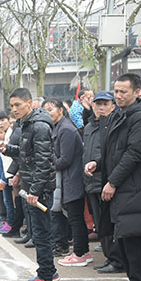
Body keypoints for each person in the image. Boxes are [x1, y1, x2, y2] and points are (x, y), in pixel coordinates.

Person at [85, 73, 141, 281]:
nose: (118, 96)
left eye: (123, 92)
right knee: (123, 237)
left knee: (132, 238)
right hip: (121, 187)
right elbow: (113, 149)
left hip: (135, 187)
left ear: (137, 92)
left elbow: (134, 153)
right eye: (116, 91)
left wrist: (113, 181)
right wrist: (99, 162)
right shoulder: (119, 114)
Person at [3, 89, 57, 281]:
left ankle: (46, 277)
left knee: (41, 233)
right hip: (31, 185)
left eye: (18, 105)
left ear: (30, 103)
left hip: (39, 188)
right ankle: (48, 271)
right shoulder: (26, 123)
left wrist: (35, 190)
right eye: (12, 106)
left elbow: (44, 162)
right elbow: (27, 154)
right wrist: (7, 149)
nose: (14, 109)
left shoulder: (40, 126)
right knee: (38, 231)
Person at [84, 92, 125, 274]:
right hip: (91, 180)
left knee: (111, 223)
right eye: (97, 104)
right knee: (100, 223)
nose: (101, 107)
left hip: (107, 181)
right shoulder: (89, 127)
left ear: (112, 105)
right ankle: (110, 257)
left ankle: (117, 259)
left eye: (105, 104)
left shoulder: (115, 126)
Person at [45, 99, 89, 267]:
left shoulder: (67, 130)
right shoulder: (59, 128)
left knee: (75, 218)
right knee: (73, 217)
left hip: (73, 179)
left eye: (51, 109)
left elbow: (65, 160)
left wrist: (49, 156)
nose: (48, 113)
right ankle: (82, 251)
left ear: (61, 111)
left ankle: (80, 253)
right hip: (66, 180)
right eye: (45, 110)